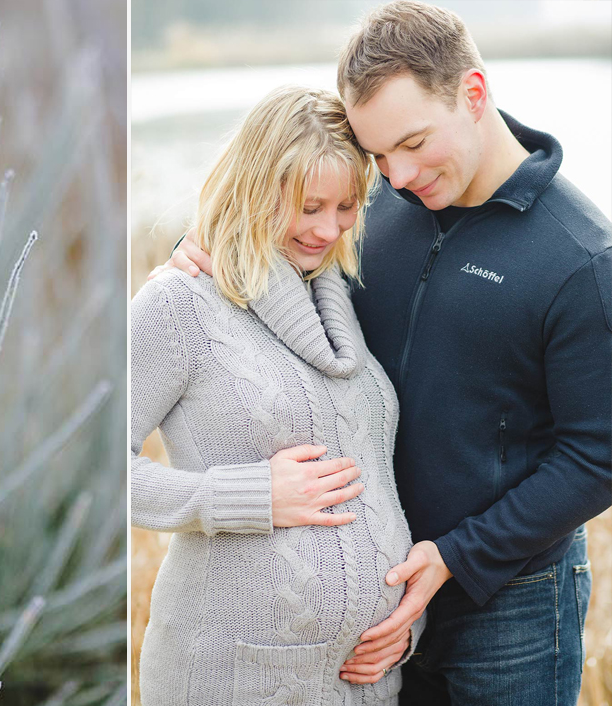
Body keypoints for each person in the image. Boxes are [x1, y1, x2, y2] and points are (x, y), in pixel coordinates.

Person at [152, 2, 612, 704]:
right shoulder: (372, 209)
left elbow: (596, 455)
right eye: (376, 156)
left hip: (510, 602)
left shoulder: (580, 258)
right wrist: (199, 249)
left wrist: (455, 558)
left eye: (413, 143)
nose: (395, 177)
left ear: (474, 94)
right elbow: (276, 248)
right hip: (378, 619)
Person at [131, 84, 425, 706]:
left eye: (346, 206)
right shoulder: (178, 304)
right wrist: (248, 495)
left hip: (365, 682)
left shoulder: (340, 293)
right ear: (256, 188)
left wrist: (404, 624)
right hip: (234, 678)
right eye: (308, 206)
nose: (327, 229)